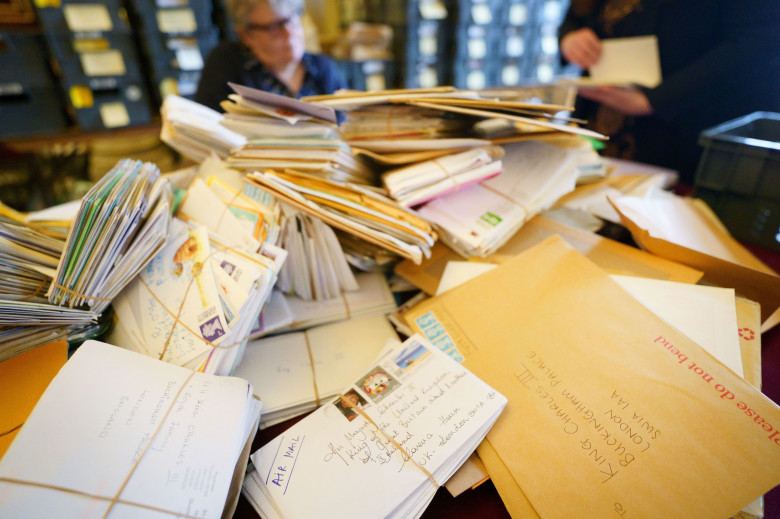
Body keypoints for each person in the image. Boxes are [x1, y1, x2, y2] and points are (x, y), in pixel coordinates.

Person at [558, 0, 780, 185]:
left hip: (683, 127)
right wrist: (570, 39)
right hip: (597, 119)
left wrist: (654, 100)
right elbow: (578, 14)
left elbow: (756, 42)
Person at [195, 0, 348, 112]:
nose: (289, 33)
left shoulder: (324, 67)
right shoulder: (225, 63)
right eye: (274, 27)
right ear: (246, 35)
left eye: (291, 19)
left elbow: (346, 126)